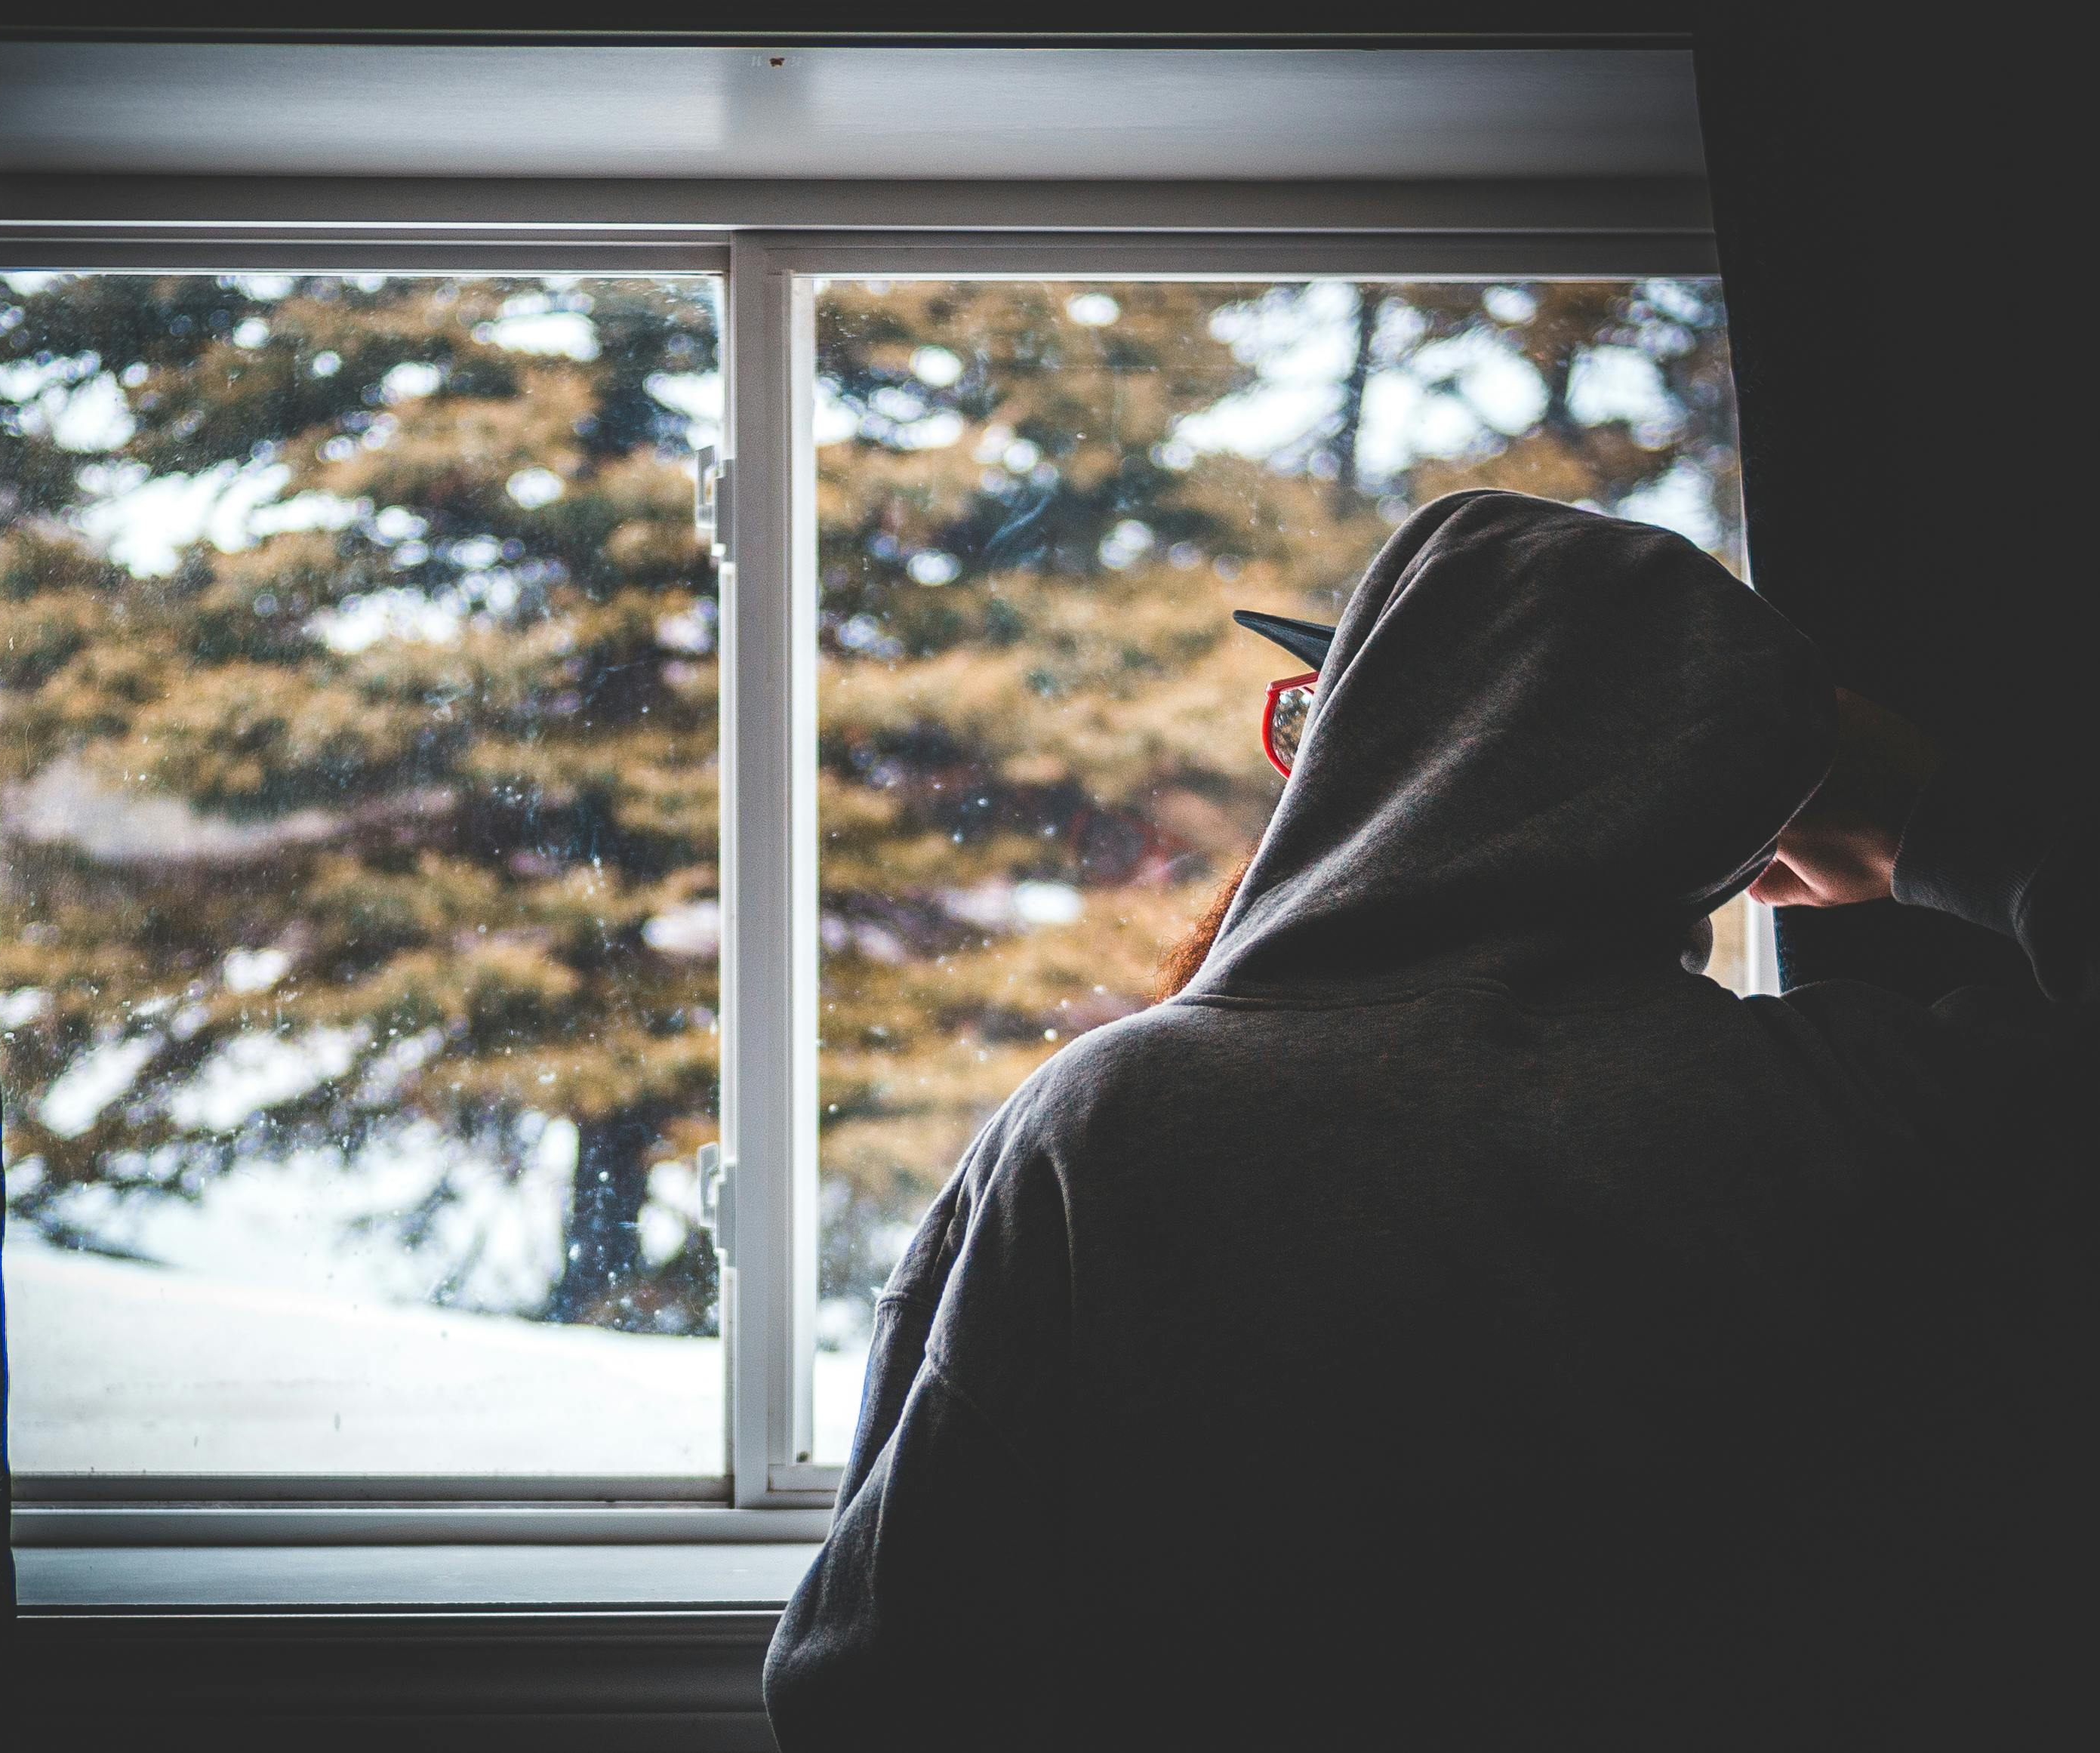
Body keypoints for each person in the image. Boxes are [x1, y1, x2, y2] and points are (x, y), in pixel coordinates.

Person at [762, 490, 2091, 1748]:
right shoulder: (1860, 1106)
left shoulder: (1110, 1124)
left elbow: (873, 1676)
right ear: (1729, 825)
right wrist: (1936, 821)